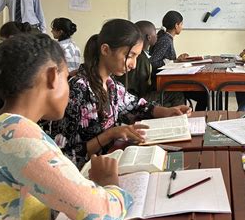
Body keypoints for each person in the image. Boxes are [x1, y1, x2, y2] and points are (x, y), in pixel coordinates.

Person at [0, 34, 132, 220]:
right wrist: (109, 182)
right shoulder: (16, 134)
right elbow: (102, 217)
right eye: (66, 78)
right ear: (52, 76)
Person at [50, 19, 191, 169]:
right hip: (86, 173)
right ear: (105, 50)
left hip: (111, 160)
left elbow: (137, 105)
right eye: (130, 56)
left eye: (136, 57)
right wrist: (110, 134)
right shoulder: (77, 90)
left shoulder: (112, 85)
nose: (134, 64)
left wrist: (167, 111)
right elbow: (65, 154)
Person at [116, 20, 185, 107]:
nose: (157, 36)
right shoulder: (141, 58)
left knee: (171, 93)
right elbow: (142, 87)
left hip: (134, 93)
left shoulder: (144, 54)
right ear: (149, 37)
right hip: (137, 97)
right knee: (177, 94)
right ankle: (177, 118)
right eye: (155, 34)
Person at [150, 10, 207, 111]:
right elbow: (153, 62)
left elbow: (165, 59)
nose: (182, 27)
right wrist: (174, 62)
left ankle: (195, 118)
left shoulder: (167, 38)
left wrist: (177, 60)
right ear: (176, 25)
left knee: (203, 95)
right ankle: (196, 119)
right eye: (181, 24)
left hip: (170, 80)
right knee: (204, 96)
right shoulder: (165, 40)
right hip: (166, 83)